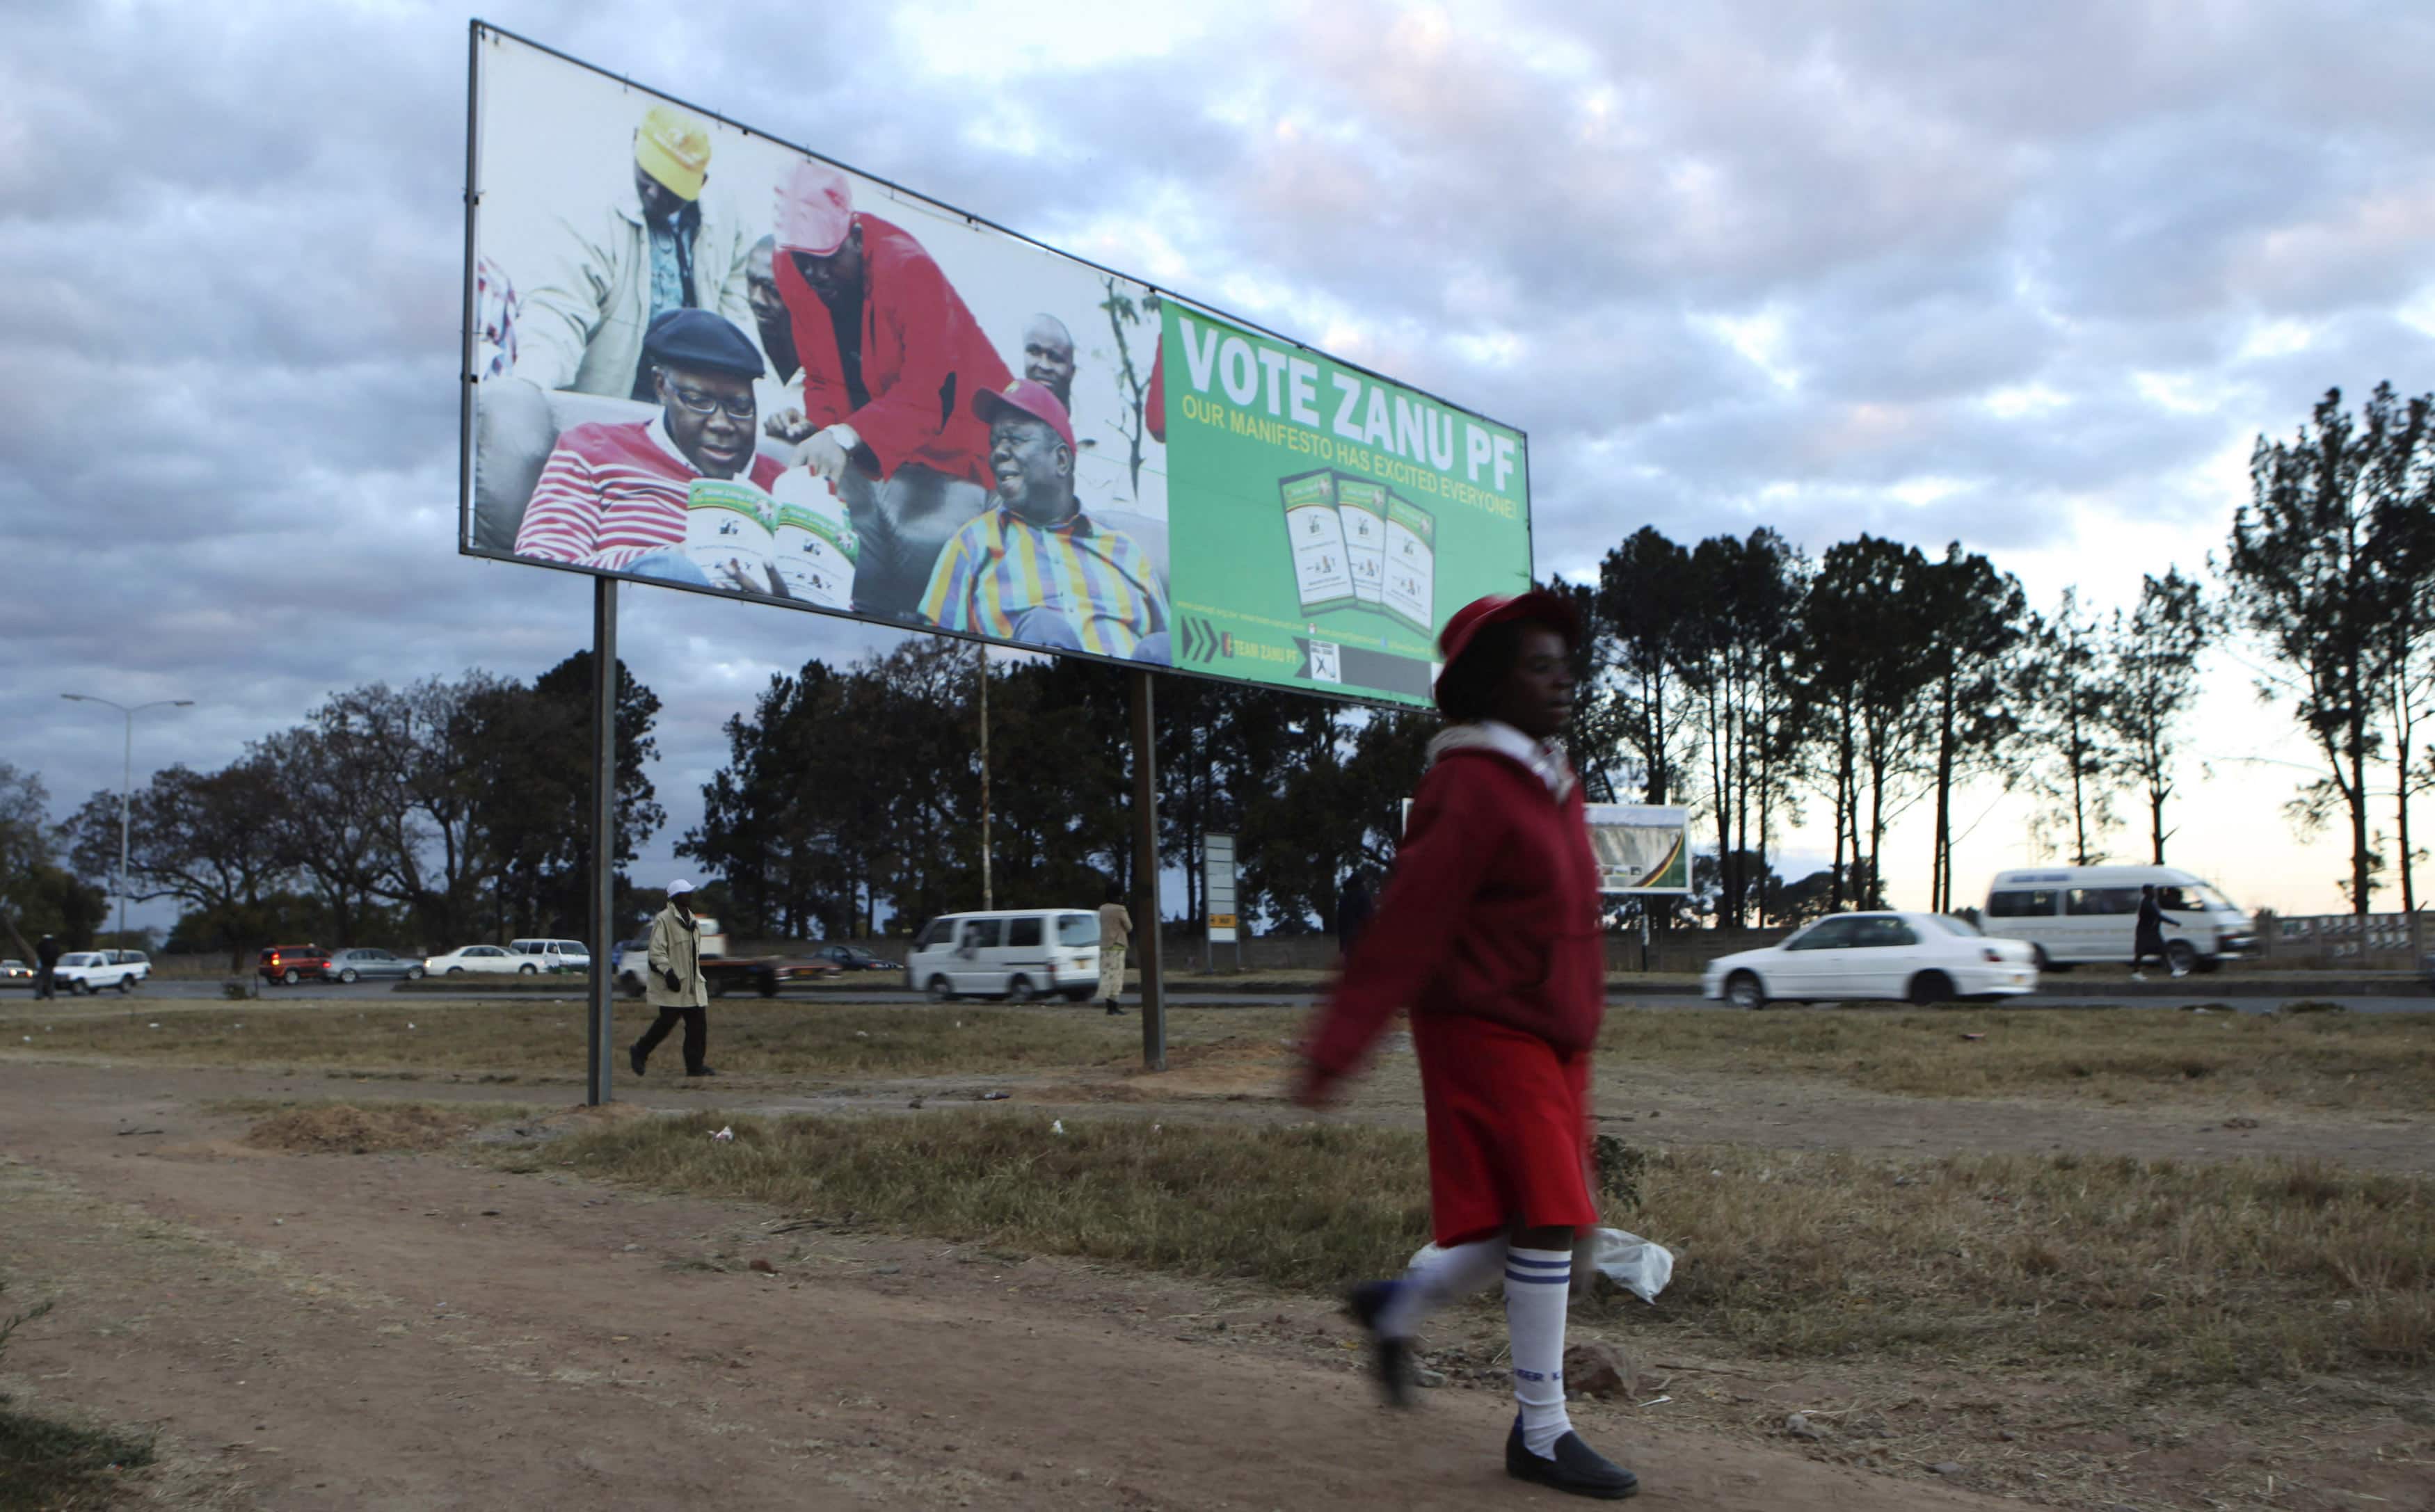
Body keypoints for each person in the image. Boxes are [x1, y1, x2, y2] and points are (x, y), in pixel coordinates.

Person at [1293, 591, 1638, 1502]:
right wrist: (1335, 1049)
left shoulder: (1549, 775)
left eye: (1566, 657)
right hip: (1486, 1026)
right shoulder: (1472, 785)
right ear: (1489, 682)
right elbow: (1408, 923)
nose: (1562, 674)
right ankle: (1542, 1429)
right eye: (1536, 661)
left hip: (1554, 1033)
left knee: (1544, 1220)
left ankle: (1395, 1302)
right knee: (1551, 1213)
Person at [767, 161, 1013, 618]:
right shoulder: (792, 267)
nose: (816, 277)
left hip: (963, 449)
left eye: (827, 261)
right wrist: (823, 439)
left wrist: (844, 437)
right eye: (805, 263)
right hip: (878, 457)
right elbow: (821, 377)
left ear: (856, 238)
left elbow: (926, 394)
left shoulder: (909, 270)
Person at [513, 309, 783, 588]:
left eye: (740, 408)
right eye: (699, 401)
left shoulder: (782, 483)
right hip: (627, 620)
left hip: (757, 627)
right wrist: (669, 561)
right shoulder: (592, 449)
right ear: (661, 388)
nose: (722, 423)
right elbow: (540, 571)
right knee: (672, 570)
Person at [512, 104, 758, 401]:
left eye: (671, 188)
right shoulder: (592, 212)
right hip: (610, 404)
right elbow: (558, 310)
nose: (654, 192)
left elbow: (738, 311)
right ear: (634, 142)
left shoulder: (725, 217)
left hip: (687, 410)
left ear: (701, 184)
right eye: (648, 175)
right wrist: (531, 385)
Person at [918, 380, 1171, 663]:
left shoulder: (1126, 552)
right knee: (1043, 628)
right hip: (1036, 698)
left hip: (1128, 699)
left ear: (1061, 460)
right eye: (995, 443)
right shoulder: (971, 544)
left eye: (1014, 440)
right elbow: (934, 653)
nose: (998, 453)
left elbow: (1172, 657)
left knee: (1162, 646)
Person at [630, 880, 714, 1078]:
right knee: (666, 1024)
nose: (690, 896)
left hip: (692, 985)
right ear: (675, 897)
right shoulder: (664, 920)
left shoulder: (692, 919)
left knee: (698, 1026)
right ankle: (640, 1051)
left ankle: (695, 1067)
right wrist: (668, 973)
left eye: (690, 892)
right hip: (674, 984)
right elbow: (656, 952)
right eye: (686, 893)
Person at [2130, 883, 2183, 979]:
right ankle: (2136, 973)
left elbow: (2158, 917)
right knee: (2141, 953)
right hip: (2145, 932)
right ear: (2147, 892)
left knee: (2163, 951)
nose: (2154, 892)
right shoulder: (2147, 903)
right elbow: (2159, 916)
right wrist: (2174, 923)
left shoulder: (2152, 902)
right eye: (2152, 890)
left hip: (2152, 932)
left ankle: (2173, 971)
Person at [1097, 885, 1133, 1017]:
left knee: (1107, 976)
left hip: (1104, 945)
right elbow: (1129, 927)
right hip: (1117, 945)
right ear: (1118, 896)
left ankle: (1109, 1007)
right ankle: (1115, 1008)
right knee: (1117, 977)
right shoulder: (1120, 909)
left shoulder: (1102, 909)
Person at [1336, 872, 1375, 956]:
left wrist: (1342, 945)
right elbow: (1369, 917)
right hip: (1362, 937)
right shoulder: (1364, 896)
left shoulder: (1343, 898)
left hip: (1347, 938)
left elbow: (1340, 922)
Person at [33, 933, 60, 1000]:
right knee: (50, 981)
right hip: (51, 965)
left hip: (44, 965)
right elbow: (57, 954)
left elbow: (38, 952)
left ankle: (39, 995)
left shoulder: (41, 945)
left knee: (40, 980)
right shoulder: (55, 945)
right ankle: (51, 996)